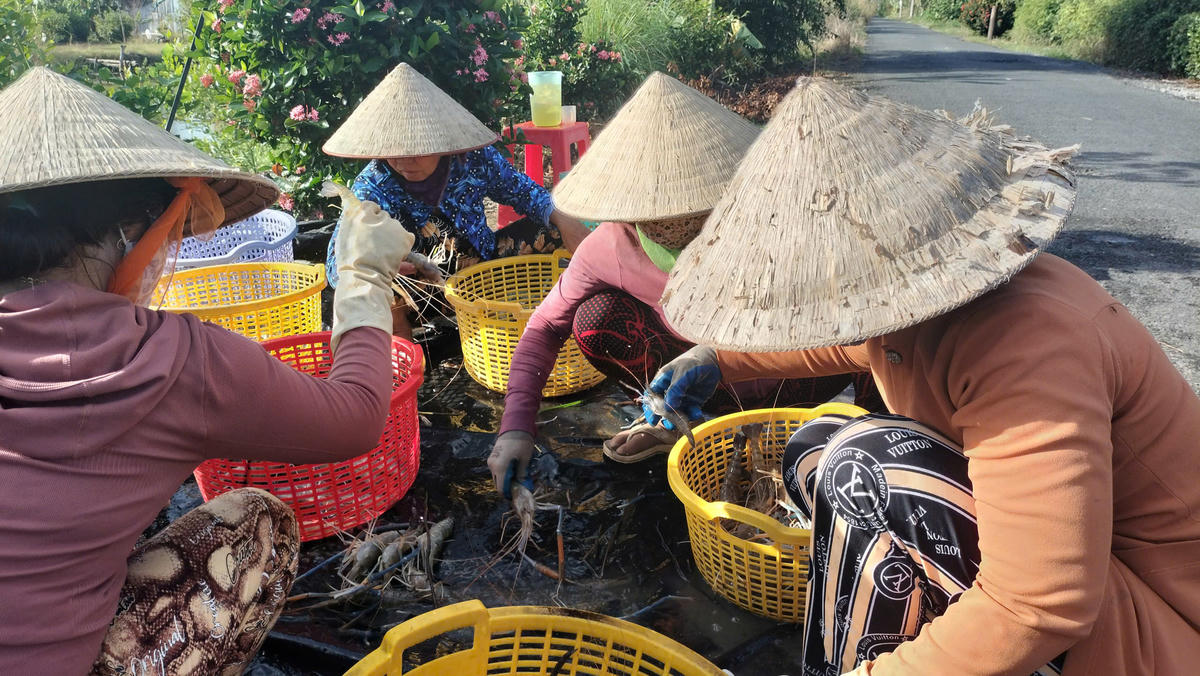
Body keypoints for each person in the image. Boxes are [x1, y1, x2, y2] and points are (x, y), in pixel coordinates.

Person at [649, 77, 1200, 675]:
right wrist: (715, 358)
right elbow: (846, 348)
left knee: (867, 463)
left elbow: (1040, 605)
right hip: (1088, 591)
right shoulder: (925, 308)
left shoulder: (1032, 339)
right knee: (813, 445)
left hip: (1155, 629)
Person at [0, 68, 413, 675]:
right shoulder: (169, 359)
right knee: (255, 521)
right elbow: (354, 415)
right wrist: (362, 281)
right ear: (130, 234)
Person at [487, 73, 880, 495]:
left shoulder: (781, 225)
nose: (674, 226)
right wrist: (516, 428)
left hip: (796, 370)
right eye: (657, 216)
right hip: (695, 381)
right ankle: (676, 419)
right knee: (595, 318)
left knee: (882, 326)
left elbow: (859, 325)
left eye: (692, 212)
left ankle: (876, 445)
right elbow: (544, 327)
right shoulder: (612, 244)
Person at [322, 63, 589, 337]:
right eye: (394, 152)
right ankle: (408, 362)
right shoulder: (372, 186)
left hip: (485, 268)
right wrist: (383, 268)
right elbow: (338, 264)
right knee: (381, 289)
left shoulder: (473, 159)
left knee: (558, 228)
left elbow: (522, 192)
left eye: (418, 150)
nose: (405, 162)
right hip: (426, 292)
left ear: (440, 142)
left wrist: (564, 219)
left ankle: (567, 322)